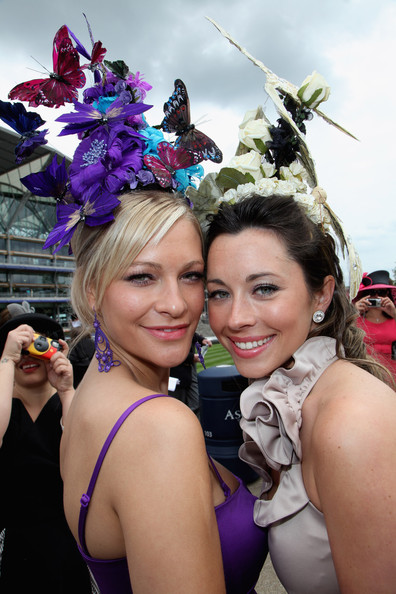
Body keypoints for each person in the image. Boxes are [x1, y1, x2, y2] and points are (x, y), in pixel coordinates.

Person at [9, 22, 268, 594]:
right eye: (142, 277)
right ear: (93, 288)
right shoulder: (158, 426)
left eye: (193, 276)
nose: (177, 304)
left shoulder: (80, 406)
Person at [200, 32, 396, 593]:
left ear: (320, 294)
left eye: (264, 288)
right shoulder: (301, 397)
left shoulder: (347, 423)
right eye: (217, 292)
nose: (234, 318)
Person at [0, 303, 92, 593]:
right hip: (13, 548)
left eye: (37, 346)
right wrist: (5, 362)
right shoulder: (5, 408)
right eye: (21, 350)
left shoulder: (69, 404)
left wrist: (66, 391)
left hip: (67, 546)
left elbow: (83, 468)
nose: (29, 355)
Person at [353, 270, 396, 378]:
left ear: (388, 294)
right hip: (365, 371)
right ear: (365, 295)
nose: (376, 296)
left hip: (392, 373)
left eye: (381, 292)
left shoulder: (394, 317)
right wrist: (353, 314)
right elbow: (344, 340)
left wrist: (394, 313)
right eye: (372, 293)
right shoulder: (357, 319)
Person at [170, 331, 212, 417]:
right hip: (175, 374)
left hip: (189, 371)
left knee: (196, 403)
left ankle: (194, 426)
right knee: (177, 406)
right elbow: (169, 349)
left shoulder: (185, 324)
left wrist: (202, 339)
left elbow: (191, 333)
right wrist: (191, 357)